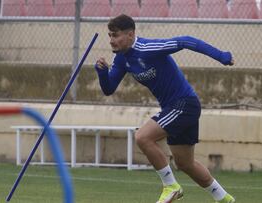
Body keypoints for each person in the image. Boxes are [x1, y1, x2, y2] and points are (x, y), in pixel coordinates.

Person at [94, 14, 235, 203]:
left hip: (184, 104)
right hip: (175, 107)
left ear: (130, 34)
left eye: (115, 35)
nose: (111, 40)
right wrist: (102, 73)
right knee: (185, 163)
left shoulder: (148, 48)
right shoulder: (121, 60)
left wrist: (222, 56)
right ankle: (224, 198)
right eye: (109, 36)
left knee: (143, 137)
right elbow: (109, 89)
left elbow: (186, 41)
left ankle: (171, 186)